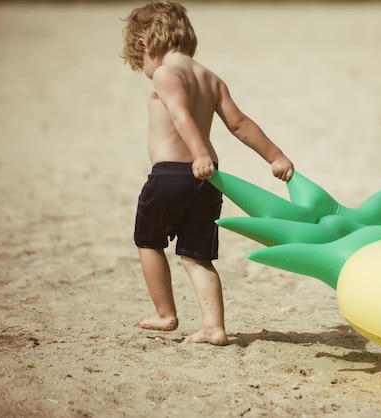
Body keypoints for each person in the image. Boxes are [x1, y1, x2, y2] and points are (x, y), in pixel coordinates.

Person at [121, 1, 294, 346]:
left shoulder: (165, 74)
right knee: (197, 255)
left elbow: (181, 114)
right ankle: (213, 326)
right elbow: (239, 124)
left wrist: (198, 153)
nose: (143, 67)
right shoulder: (210, 78)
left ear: (144, 44)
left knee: (148, 241)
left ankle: (165, 312)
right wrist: (276, 157)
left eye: (139, 60)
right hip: (209, 180)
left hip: (171, 174)